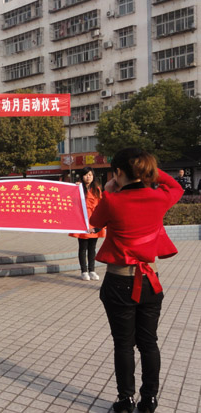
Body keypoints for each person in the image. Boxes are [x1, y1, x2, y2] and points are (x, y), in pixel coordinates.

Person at [90, 148, 183, 413]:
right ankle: (150, 399)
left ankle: (126, 400)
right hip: (151, 281)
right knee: (149, 342)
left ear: (118, 172)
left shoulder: (112, 200)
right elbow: (175, 186)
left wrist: (109, 188)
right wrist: (150, 172)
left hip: (119, 281)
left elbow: (94, 222)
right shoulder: (159, 197)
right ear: (143, 170)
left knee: (123, 344)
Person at [69, 167, 105, 281]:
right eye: (85, 175)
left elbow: (101, 206)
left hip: (94, 222)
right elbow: (72, 203)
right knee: (83, 247)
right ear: (82, 176)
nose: (88, 177)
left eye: (90, 175)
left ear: (93, 176)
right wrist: (75, 188)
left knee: (92, 248)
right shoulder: (78, 188)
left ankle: (92, 270)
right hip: (82, 222)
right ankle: (84, 271)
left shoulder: (97, 189)